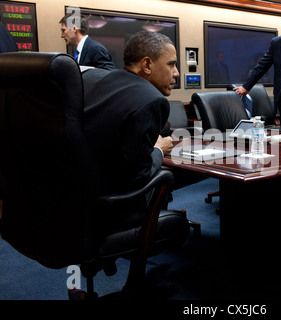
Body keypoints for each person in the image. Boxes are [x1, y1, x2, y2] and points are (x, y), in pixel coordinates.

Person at [82, 31, 190, 275]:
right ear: (147, 65)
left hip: (76, 201)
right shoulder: (151, 99)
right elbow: (139, 175)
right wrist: (158, 150)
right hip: (112, 208)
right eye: (172, 65)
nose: (176, 74)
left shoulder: (101, 81)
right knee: (165, 185)